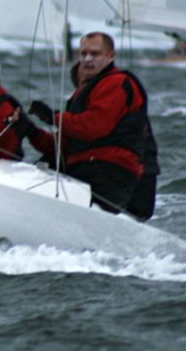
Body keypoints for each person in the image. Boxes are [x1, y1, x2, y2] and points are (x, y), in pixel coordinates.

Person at [12, 31, 151, 217]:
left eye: (94, 54)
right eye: (83, 53)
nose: (87, 59)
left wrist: (51, 117)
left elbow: (93, 127)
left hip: (109, 174)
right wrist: (29, 129)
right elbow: (61, 149)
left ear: (111, 56)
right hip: (87, 171)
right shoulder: (84, 93)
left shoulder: (117, 83)